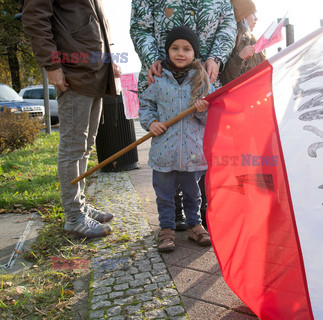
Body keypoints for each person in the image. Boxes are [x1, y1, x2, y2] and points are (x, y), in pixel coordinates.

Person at [130, 0, 237, 231]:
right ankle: (171, 220)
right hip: (161, 76)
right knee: (167, 170)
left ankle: (199, 217)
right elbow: (140, 26)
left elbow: (227, 26)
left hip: (203, 79)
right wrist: (153, 60)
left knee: (201, 152)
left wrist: (216, 57)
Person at [22, 0, 121, 238]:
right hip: (73, 73)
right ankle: (74, 217)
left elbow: (92, 22)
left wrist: (109, 60)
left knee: (85, 146)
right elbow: (35, 17)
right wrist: (51, 64)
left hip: (95, 72)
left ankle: (80, 205)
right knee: (73, 147)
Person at [138, 26, 213, 253]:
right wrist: (151, 123)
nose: (180, 53)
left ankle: (194, 225)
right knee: (165, 195)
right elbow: (146, 104)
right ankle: (167, 229)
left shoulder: (202, 82)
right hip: (164, 151)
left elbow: (212, 116)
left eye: (187, 49)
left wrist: (202, 110)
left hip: (192, 151)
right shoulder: (159, 80)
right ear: (167, 51)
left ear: (194, 53)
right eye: (175, 48)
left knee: (193, 193)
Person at [220, 0, 266, 85]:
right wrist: (239, 58)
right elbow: (227, 81)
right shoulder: (230, 42)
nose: (256, 18)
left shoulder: (254, 42)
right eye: (252, 13)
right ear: (243, 17)